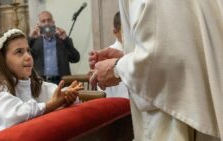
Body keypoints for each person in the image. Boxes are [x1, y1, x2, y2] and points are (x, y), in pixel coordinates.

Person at [89, 0, 223, 140]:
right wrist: (129, 56)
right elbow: (180, 47)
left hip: (177, 116)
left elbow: (164, 58)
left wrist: (117, 68)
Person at [0, 29, 83, 137]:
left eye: (28, 50)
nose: (28, 56)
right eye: (19, 52)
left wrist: (67, 96)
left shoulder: (34, 83)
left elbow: (54, 93)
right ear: (1, 59)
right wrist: (51, 105)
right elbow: (16, 115)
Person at [29, 11, 80, 84]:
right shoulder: (34, 42)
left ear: (53, 22)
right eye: (43, 21)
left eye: (49, 20)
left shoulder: (63, 39)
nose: (47, 23)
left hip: (61, 82)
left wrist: (65, 40)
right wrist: (31, 38)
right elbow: (24, 56)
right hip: (41, 83)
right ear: (39, 25)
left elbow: (75, 58)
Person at [99, 11, 128, 98]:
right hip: (118, 105)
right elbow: (103, 93)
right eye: (126, 32)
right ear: (115, 32)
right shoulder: (106, 57)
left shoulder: (141, 51)